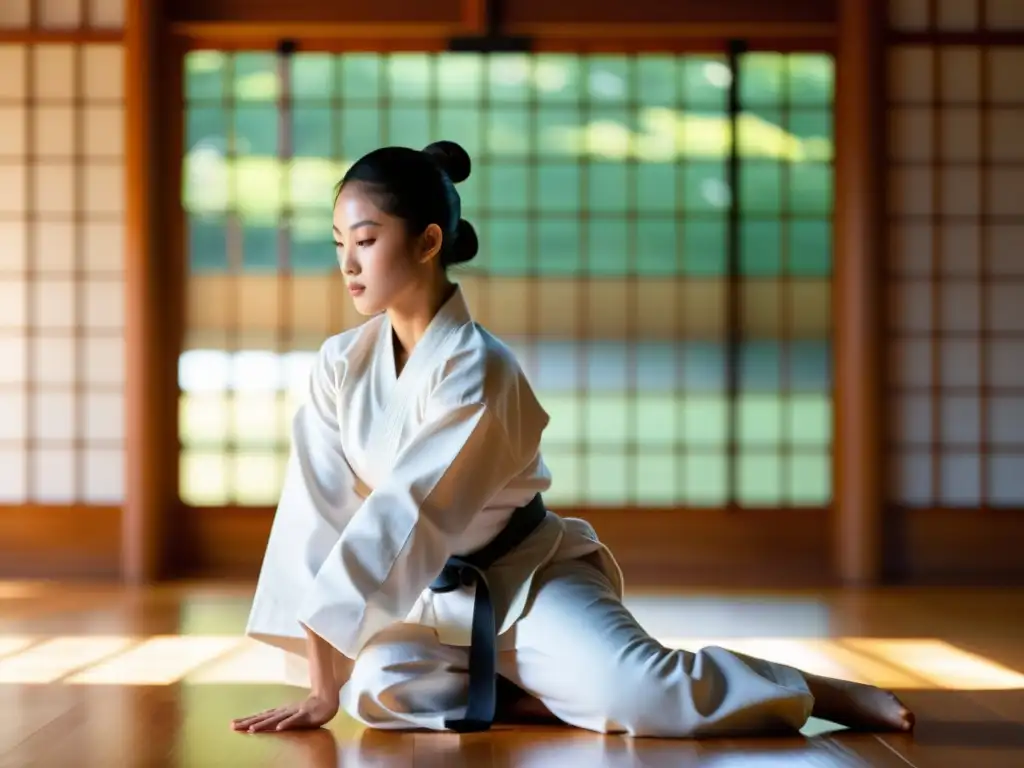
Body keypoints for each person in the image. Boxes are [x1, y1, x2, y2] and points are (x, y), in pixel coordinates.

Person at [231, 140, 916, 738]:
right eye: (339, 244)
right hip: (432, 598)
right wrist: (323, 686)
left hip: (526, 580)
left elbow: (406, 514)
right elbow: (316, 514)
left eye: (367, 239)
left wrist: (334, 649)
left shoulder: (478, 367)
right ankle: (549, 697)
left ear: (429, 241)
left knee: (649, 693)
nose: (348, 263)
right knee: (371, 689)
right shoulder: (339, 364)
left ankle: (811, 690)